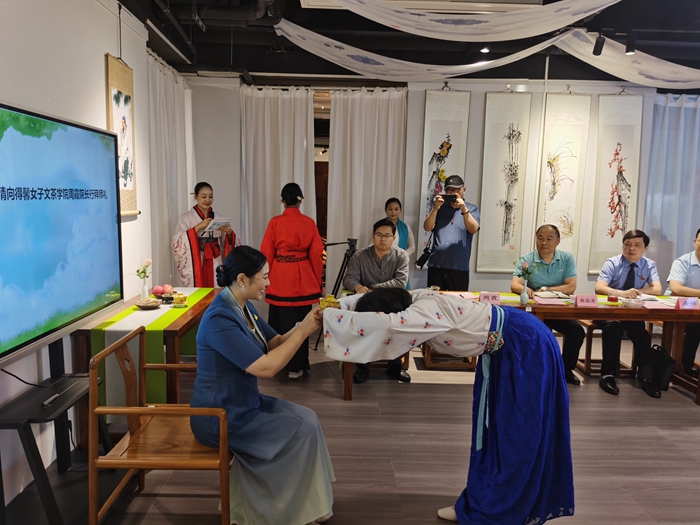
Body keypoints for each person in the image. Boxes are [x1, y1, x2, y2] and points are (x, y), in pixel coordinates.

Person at [322, 288, 574, 524]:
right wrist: (337, 305)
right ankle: (484, 499)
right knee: (495, 429)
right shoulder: (413, 299)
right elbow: (375, 304)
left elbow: (386, 323)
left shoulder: (422, 310)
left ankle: (511, 506)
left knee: (518, 431)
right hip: (508, 346)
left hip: (525, 345)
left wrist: (329, 316)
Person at [190, 246, 335, 525]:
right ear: (242, 279)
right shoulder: (220, 318)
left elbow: (274, 342)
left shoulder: (243, 307)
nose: (268, 282)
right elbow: (266, 368)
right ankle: (280, 510)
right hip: (220, 415)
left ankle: (311, 503)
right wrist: (303, 331)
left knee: (308, 418)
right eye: (264, 277)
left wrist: (304, 323)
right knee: (300, 431)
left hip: (244, 402)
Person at [261, 182, 324, 380]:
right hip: (302, 276)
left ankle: (277, 363)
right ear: (300, 201)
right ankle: (296, 366)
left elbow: (266, 253)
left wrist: (265, 278)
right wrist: (317, 281)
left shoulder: (275, 222)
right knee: (302, 323)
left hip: (279, 275)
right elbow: (316, 254)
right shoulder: (309, 223)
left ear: (282, 200)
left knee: (278, 321)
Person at [511, 224, 584, 386]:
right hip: (535, 311)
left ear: (558, 241)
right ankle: (532, 370)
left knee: (577, 332)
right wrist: (525, 289)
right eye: (540, 238)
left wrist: (546, 289)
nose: (544, 242)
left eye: (549, 239)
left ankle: (566, 370)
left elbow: (571, 287)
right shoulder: (527, 259)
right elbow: (515, 284)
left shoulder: (566, 258)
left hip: (558, 310)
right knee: (537, 333)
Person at [594, 229, 663, 398]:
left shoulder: (649, 265)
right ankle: (607, 375)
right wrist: (621, 293)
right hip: (607, 312)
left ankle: (647, 378)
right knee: (613, 328)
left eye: (637, 245)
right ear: (623, 246)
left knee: (643, 335)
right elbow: (599, 287)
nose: (631, 248)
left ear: (645, 248)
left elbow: (657, 289)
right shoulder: (612, 263)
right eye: (627, 244)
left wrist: (635, 292)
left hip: (631, 313)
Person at [343, 218, 410, 383]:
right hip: (367, 303)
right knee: (363, 319)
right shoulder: (360, 255)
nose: (383, 239)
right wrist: (357, 286)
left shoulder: (401, 256)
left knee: (401, 321)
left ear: (394, 238)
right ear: (373, 236)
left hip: (392, 302)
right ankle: (363, 366)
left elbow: (400, 282)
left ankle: (395, 365)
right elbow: (349, 279)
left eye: (387, 235)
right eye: (379, 235)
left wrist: (372, 288)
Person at [172, 182, 239, 287]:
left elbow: (228, 242)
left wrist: (229, 233)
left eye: (210, 196)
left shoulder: (218, 217)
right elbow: (177, 242)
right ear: (195, 197)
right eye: (204, 196)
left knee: (216, 284)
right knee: (198, 286)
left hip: (215, 258)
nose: (207, 200)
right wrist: (198, 227)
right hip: (197, 258)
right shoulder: (186, 219)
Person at [423, 175, 480, 291]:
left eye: (456, 189)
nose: (453, 192)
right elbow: (427, 227)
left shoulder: (472, 209)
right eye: (449, 189)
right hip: (436, 265)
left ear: (464, 190)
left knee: (458, 301)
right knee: (434, 300)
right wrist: (435, 208)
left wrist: (464, 209)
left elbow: (473, 229)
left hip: (459, 266)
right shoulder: (439, 208)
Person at [665, 227, 700, 378]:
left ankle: (686, 365)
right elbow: (676, 289)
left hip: (697, 308)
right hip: (676, 307)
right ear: (695, 242)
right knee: (696, 325)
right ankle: (684, 366)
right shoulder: (682, 262)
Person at [385, 197, 415, 289]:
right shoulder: (380, 226)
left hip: (400, 263)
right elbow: (372, 245)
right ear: (386, 210)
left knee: (400, 290)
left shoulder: (406, 227)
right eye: (390, 209)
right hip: (383, 262)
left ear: (400, 210)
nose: (393, 212)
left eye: (396, 209)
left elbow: (412, 247)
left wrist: (402, 255)